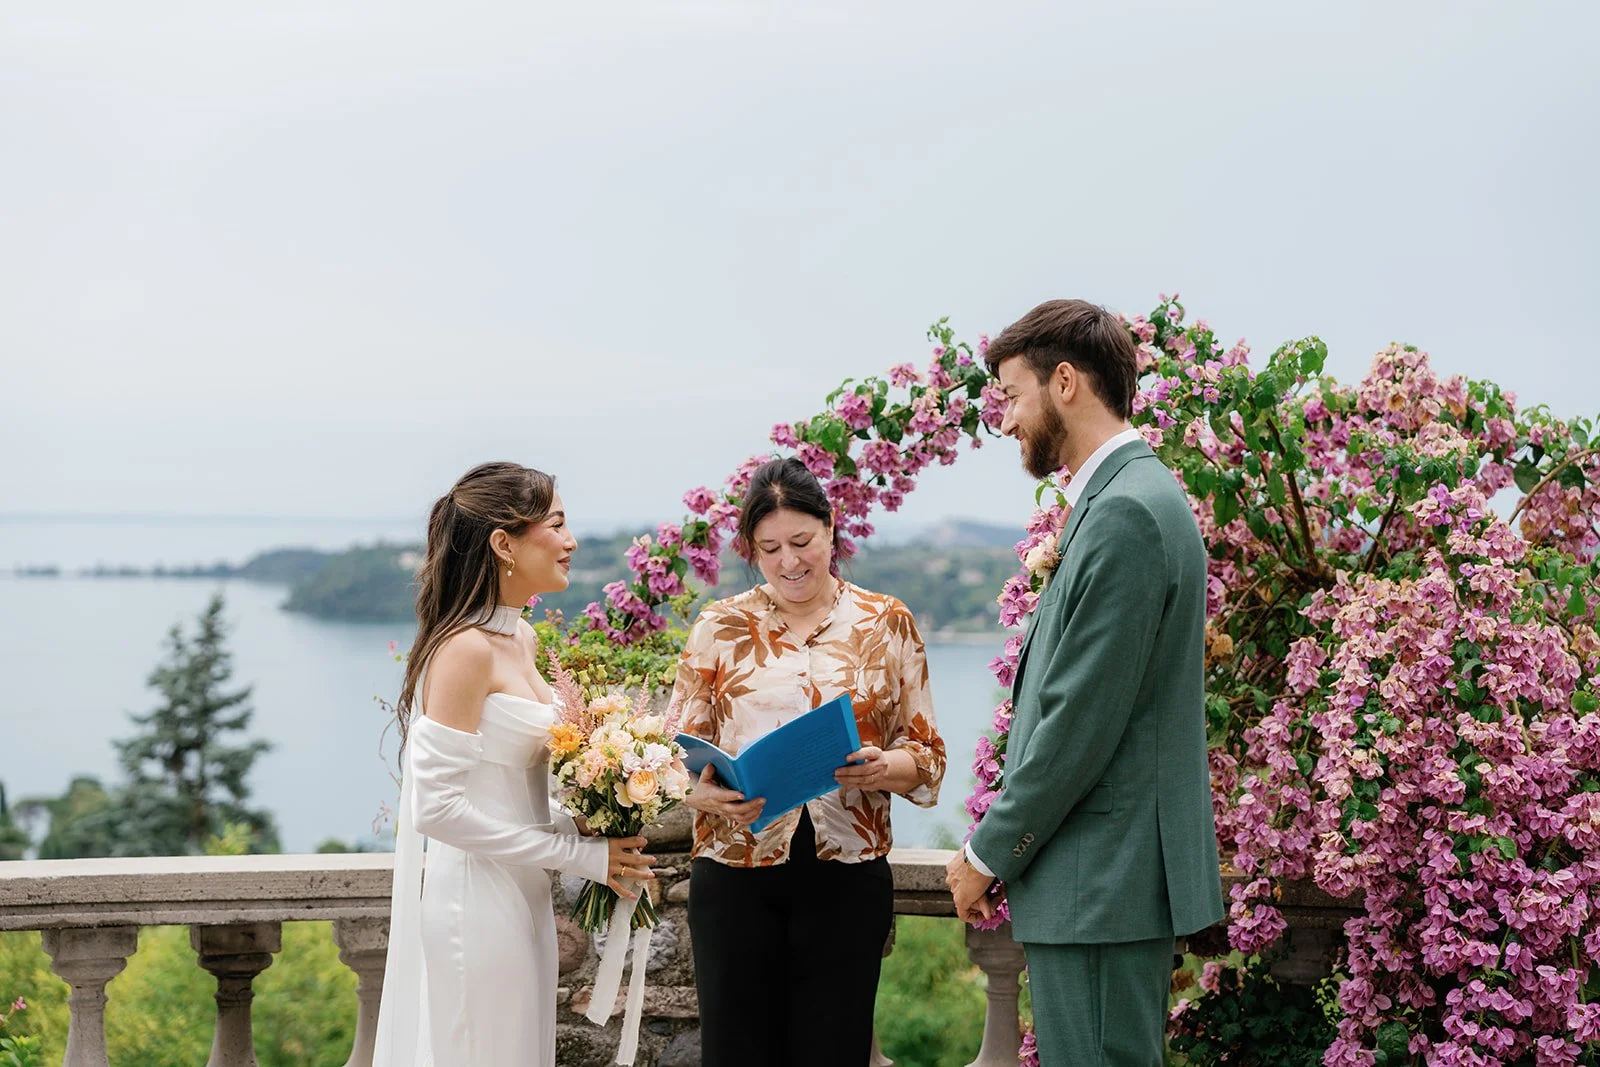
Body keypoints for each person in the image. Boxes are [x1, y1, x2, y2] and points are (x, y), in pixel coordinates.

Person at [946, 301, 1225, 1065]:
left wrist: (986, 852)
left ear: (1064, 381)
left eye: (1011, 395)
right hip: (1103, 885)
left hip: (1101, 882)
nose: (1004, 421)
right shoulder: (1128, 498)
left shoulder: (1127, 512)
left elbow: (1079, 719)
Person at [373, 462, 654, 1067]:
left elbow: (508, 789)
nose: (571, 541)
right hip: (474, 903)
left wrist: (589, 819)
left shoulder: (521, 638)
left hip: (524, 891)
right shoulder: (465, 651)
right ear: (505, 543)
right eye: (556, 524)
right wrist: (580, 856)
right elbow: (437, 810)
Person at [672, 457, 946, 1067]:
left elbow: (927, 758)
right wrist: (704, 793)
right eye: (770, 548)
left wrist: (883, 767)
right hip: (734, 874)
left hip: (845, 879)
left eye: (801, 541)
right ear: (751, 550)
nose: (789, 561)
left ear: (831, 529)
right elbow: (671, 757)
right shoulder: (719, 625)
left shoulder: (886, 621)